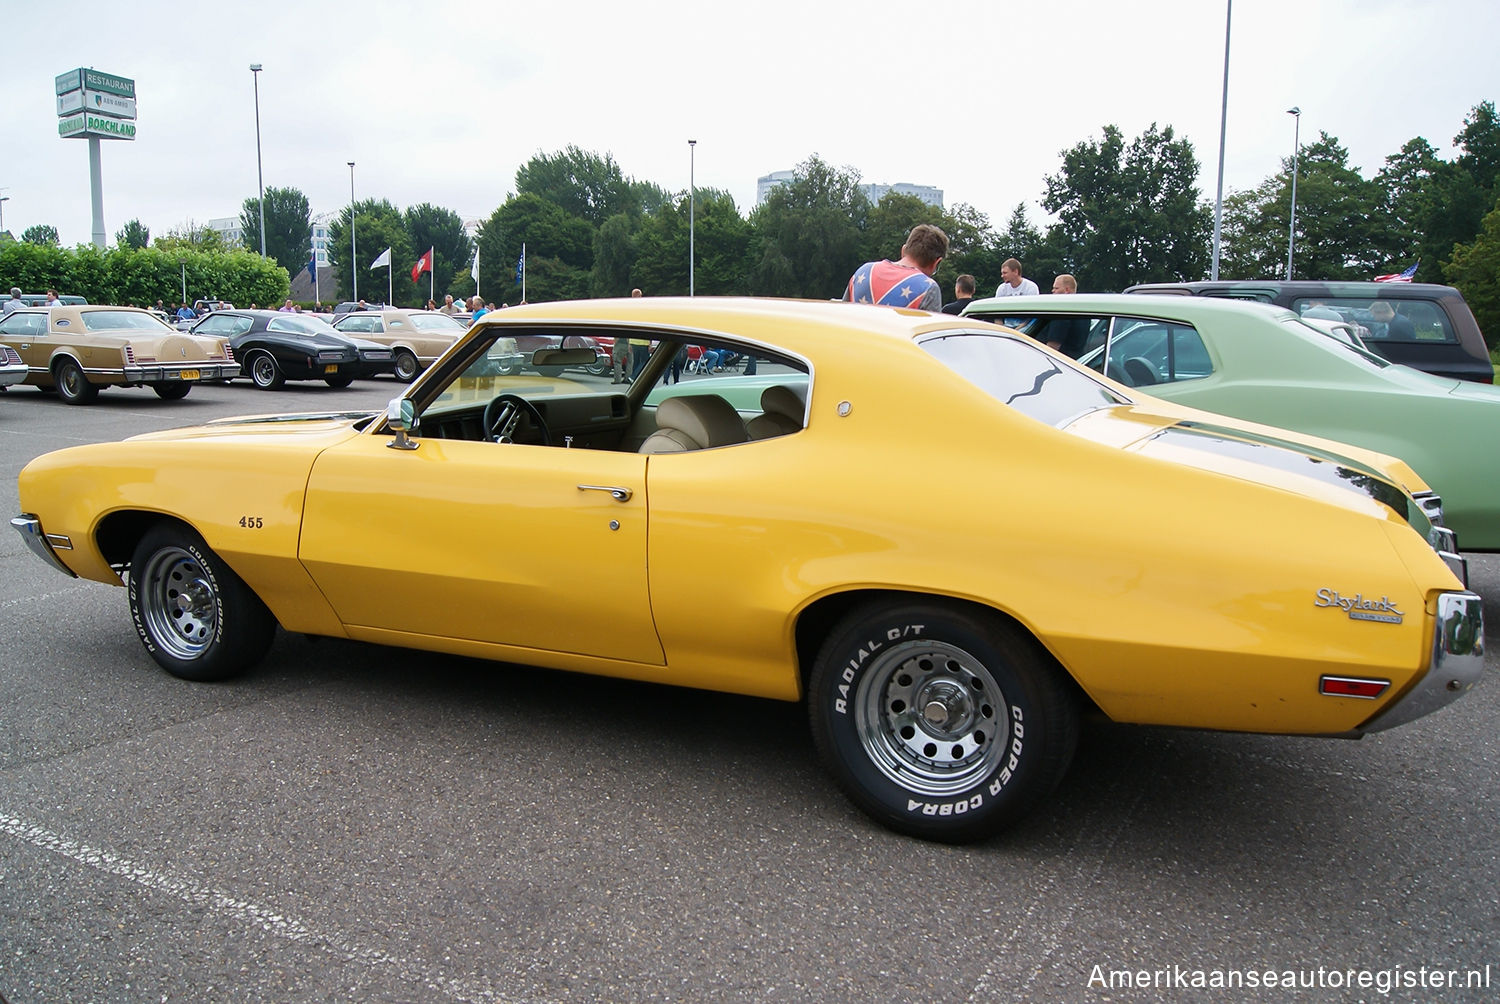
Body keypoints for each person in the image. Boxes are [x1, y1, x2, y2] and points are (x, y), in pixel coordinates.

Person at [845, 224, 947, 311]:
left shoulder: (865, 271)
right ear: (936, 262)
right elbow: (929, 331)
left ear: (903, 250)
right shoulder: (928, 288)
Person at [1042, 274, 1090, 358]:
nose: (1052, 291)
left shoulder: (1062, 313)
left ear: (1066, 290)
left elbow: (1052, 347)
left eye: (1056, 288)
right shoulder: (1084, 312)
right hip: (1075, 361)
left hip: (1060, 362)